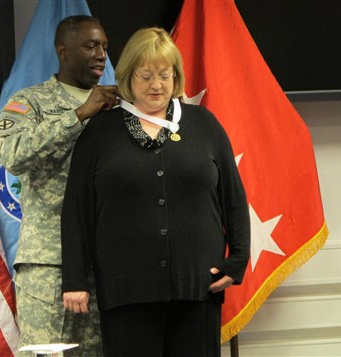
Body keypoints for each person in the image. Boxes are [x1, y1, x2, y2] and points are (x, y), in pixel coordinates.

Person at [61, 27, 250, 356]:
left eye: (165, 75)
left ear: (176, 76)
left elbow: (233, 198)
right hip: (126, 291)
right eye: (146, 75)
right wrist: (74, 280)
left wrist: (238, 259)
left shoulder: (204, 124)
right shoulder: (101, 132)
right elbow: (77, 209)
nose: (156, 85)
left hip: (198, 287)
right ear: (127, 77)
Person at [0, 15, 118, 356]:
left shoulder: (116, 106)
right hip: (49, 264)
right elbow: (13, 155)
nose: (101, 55)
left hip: (104, 263)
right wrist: (77, 115)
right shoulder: (30, 102)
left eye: (104, 46)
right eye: (90, 46)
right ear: (63, 51)